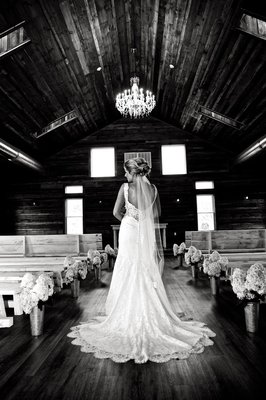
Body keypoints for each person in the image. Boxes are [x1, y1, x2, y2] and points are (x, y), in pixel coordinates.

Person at [68, 158, 215, 363]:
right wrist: (142, 221)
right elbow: (157, 213)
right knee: (144, 267)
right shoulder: (153, 189)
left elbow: (115, 212)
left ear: (133, 172)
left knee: (127, 267)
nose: (124, 175)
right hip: (144, 232)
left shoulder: (125, 188)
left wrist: (129, 220)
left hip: (128, 230)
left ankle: (125, 312)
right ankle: (151, 312)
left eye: (126, 172)